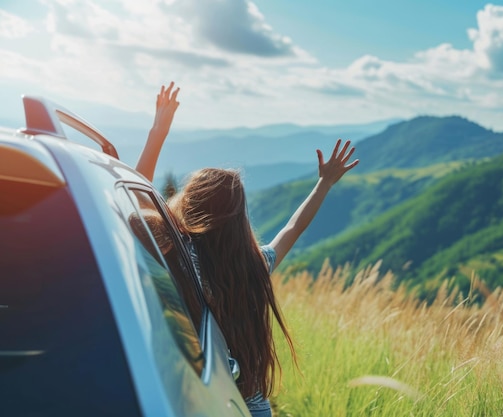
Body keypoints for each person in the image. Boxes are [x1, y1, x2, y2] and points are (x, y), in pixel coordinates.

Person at [136, 82, 359, 417]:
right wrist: (324, 183)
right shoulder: (254, 265)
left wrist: (157, 131)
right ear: (238, 218)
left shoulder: (179, 257)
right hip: (253, 406)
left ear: (190, 206)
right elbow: (292, 229)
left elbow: (137, 201)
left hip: (199, 399)